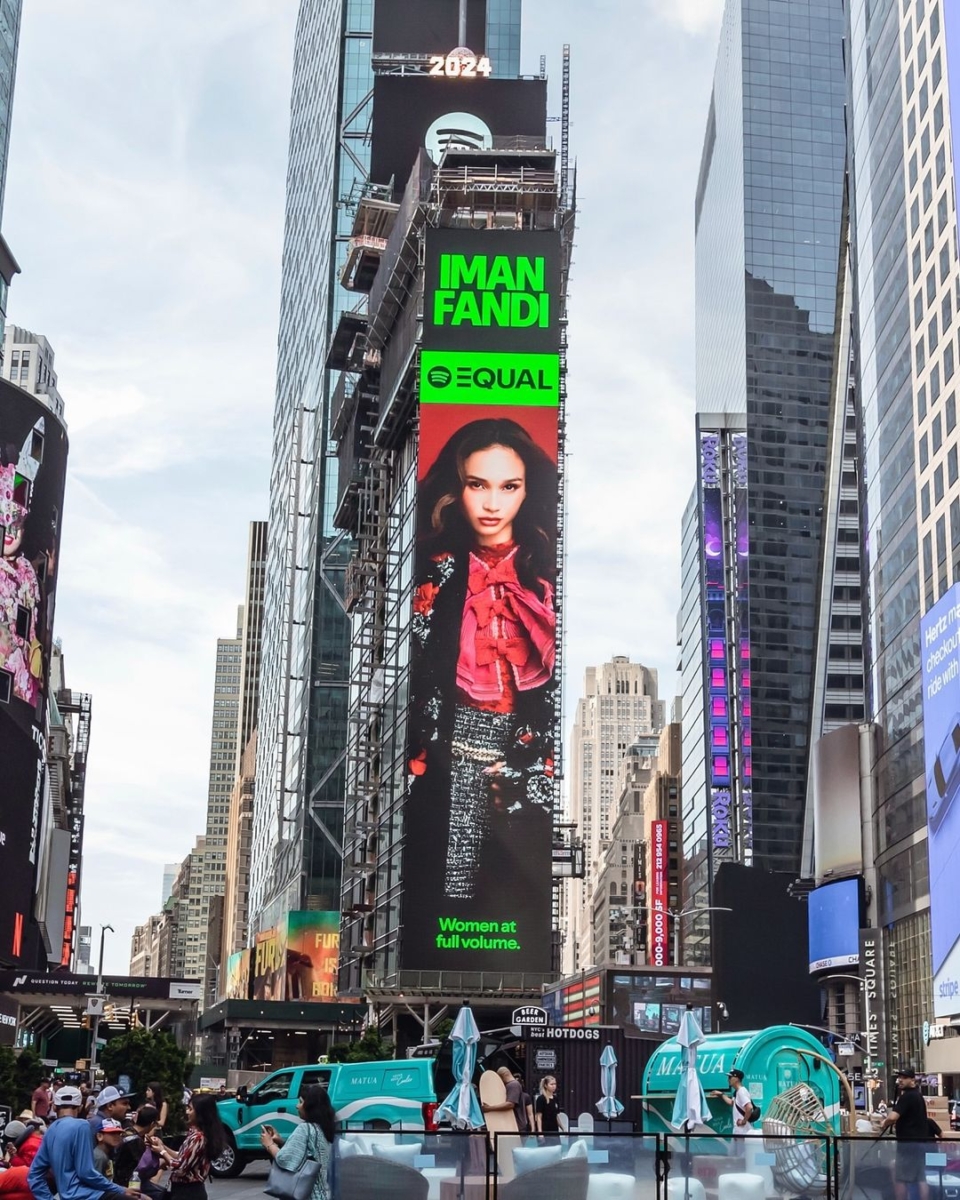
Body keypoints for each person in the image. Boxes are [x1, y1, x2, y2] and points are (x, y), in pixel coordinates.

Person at [407, 418, 558, 905]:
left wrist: (533, 757)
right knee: (450, 889)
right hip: (450, 750)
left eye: (509, 486)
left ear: (526, 489)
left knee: (518, 890)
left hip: (525, 754)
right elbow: (417, 674)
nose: (493, 503)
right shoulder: (436, 570)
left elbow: (548, 692)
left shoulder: (543, 574)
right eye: (478, 485)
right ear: (458, 489)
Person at [27, 1085, 138, 1200]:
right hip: (89, 1195)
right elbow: (86, 1173)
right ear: (80, 1108)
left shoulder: (50, 1130)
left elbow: (34, 1175)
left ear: (54, 1107)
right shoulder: (82, 1125)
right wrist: (120, 1189)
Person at [259, 1085, 334, 1200]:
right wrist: (281, 1142)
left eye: (300, 1102)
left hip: (307, 1195)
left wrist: (269, 1144)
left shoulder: (305, 1128)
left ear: (309, 1106)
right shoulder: (324, 1129)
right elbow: (307, 1155)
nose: (297, 1106)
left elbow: (285, 1159)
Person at [148, 1093, 226, 1200]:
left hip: (189, 1192)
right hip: (183, 1191)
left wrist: (162, 1152)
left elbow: (181, 1168)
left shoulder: (199, 1137)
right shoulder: (195, 1134)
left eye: (190, 1109)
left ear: (201, 1113)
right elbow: (181, 1156)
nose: (187, 1112)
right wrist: (162, 1146)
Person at [881, 1067, 930, 1200]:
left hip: (908, 1144)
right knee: (920, 1178)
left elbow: (892, 1117)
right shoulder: (918, 1095)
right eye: (899, 1077)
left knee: (900, 1178)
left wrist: (883, 1124)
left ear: (912, 1080)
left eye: (904, 1078)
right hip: (919, 1143)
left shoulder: (907, 1096)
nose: (900, 1080)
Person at [113, 1108, 158, 1189]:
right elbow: (143, 1167)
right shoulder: (135, 1140)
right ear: (152, 1124)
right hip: (126, 1184)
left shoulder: (126, 1130)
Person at [711, 1069, 755, 1149]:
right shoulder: (738, 1092)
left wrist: (743, 1121)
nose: (728, 1080)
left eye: (730, 1077)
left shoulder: (741, 1091)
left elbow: (749, 1107)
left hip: (742, 1131)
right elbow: (732, 1103)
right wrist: (721, 1094)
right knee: (733, 1154)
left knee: (741, 1157)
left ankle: (767, 1161)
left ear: (737, 1079)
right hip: (739, 1131)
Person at [481, 1067, 525, 1132]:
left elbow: (510, 1104)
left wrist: (490, 1108)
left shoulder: (513, 1085)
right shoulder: (513, 1085)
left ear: (504, 1075)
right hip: (513, 1124)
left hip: (515, 1125)